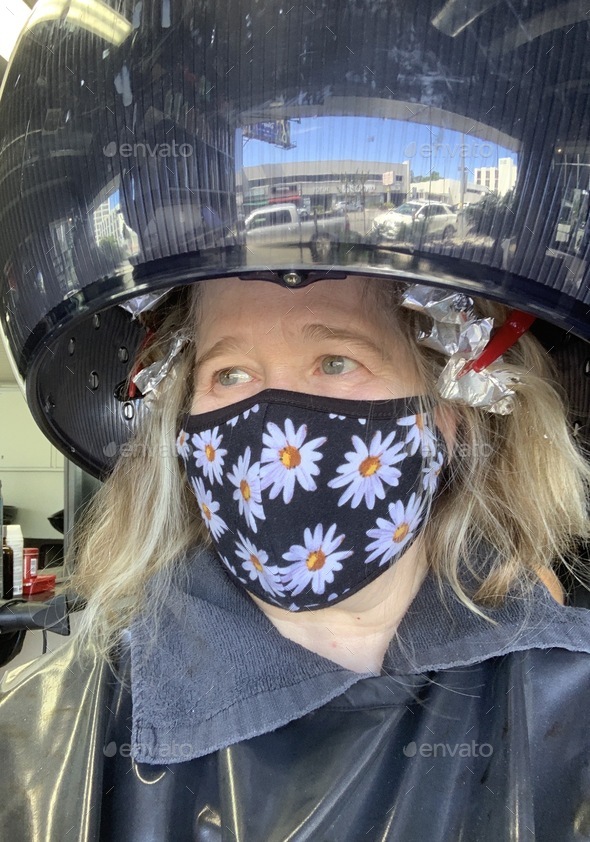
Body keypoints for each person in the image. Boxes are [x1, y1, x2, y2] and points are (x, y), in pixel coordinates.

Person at [1, 1, 590, 840]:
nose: (271, 426)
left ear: (453, 408)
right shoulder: (48, 749)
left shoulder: (565, 707)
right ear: (181, 421)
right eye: (229, 373)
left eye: (336, 360)